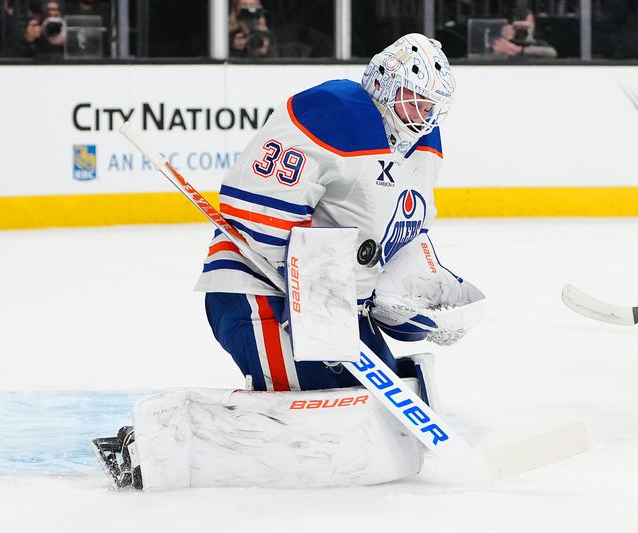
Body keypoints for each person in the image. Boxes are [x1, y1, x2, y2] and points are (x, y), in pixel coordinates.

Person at [97, 34, 485, 491]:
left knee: (380, 408)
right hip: (258, 292)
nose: (423, 115)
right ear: (382, 84)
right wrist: (316, 282)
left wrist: (416, 305)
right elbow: (256, 210)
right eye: (413, 100)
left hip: (335, 310)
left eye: (430, 105)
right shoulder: (337, 113)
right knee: (326, 408)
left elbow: (400, 241)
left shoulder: (424, 146)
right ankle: (150, 442)